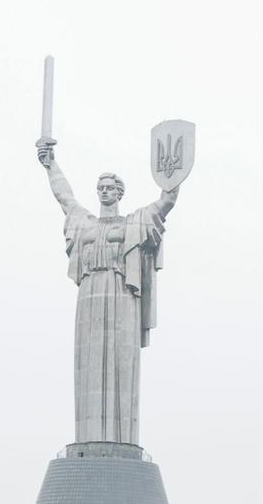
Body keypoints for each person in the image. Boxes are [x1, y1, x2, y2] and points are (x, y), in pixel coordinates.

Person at [36, 145, 178, 447]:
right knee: (89, 366)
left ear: (120, 193)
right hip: (89, 297)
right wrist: (51, 166)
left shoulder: (134, 223)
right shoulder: (84, 223)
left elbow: (165, 203)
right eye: (100, 188)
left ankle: (120, 440)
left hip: (122, 294)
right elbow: (64, 197)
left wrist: (173, 178)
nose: (104, 192)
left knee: (121, 362)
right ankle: (88, 442)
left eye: (110, 188)